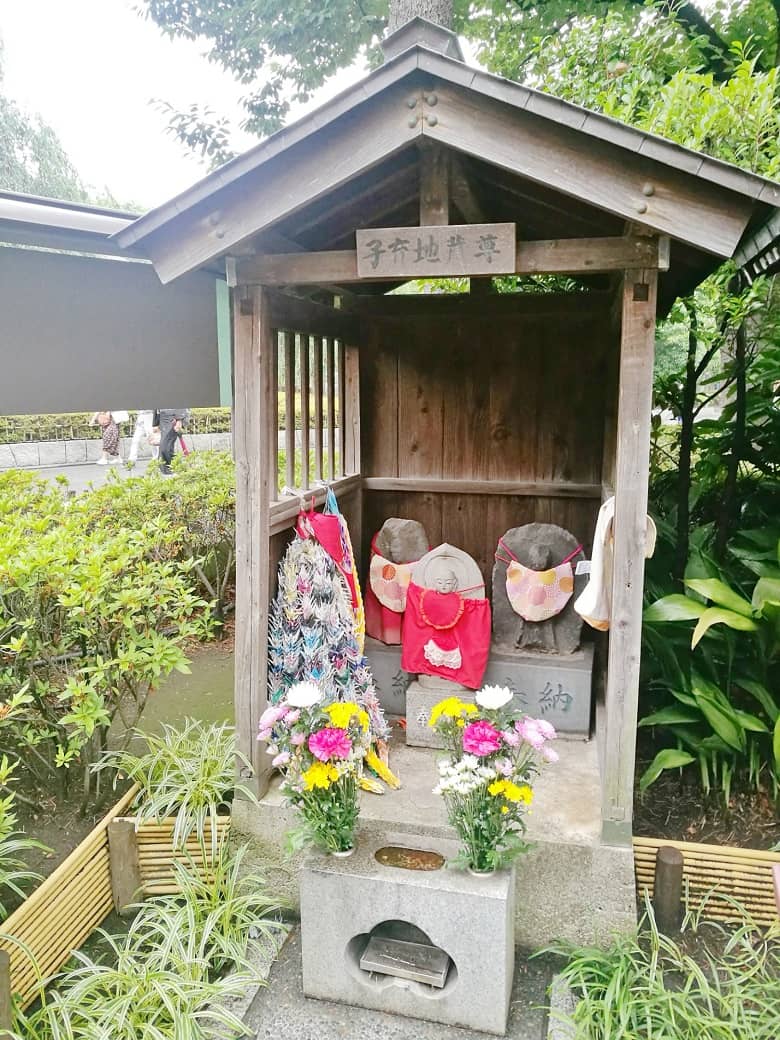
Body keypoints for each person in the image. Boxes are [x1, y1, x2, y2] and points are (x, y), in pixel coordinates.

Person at [154, 408, 190, 474]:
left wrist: (179, 420)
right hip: (162, 416)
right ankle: (170, 467)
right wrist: (155, 423)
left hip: (173, 418)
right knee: (165, 446)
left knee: (166, 446)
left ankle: (171, 467)